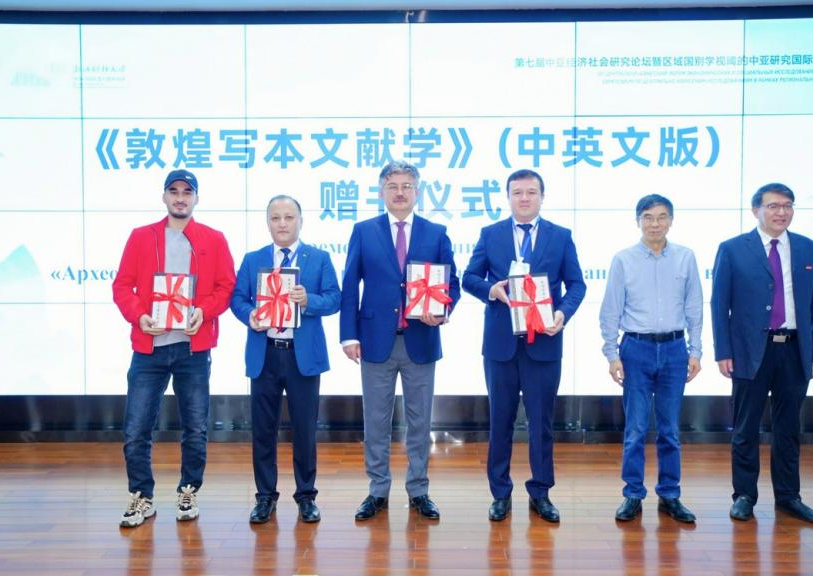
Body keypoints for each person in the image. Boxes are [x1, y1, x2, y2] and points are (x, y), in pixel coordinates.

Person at [112, 169, 236, 527]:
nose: (180, 198)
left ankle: (188, 490)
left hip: (192, 349)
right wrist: (140, 316)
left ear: (196, 198)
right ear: (164, 196)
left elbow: (226, 287)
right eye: (174, 191)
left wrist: (203, 311)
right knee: (136, 428)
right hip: (149, 347)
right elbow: (122, 286)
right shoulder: (141, 237)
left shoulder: (213, 238)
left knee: (195, 427)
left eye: (187, 192)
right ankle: (142, 496)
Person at [462, 169, 586, 523]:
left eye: (531, 192)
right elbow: (469, 277)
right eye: (518, 192)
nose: (525, 198)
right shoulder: (491, 234)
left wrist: (562, 313)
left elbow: (577, 284)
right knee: (499, 421)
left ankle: (541, 492)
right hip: (501, 345)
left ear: (542, 197)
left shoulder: (560, 237)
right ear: (508, 197)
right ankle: (500, 493)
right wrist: (491, 290)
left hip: (544, 343)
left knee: (541, 423)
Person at [340, 160, 460, 521]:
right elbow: (350, 285)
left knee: (419, 422)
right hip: (374, 340)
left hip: (421, 339)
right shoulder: (364, 231)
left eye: (407, 186)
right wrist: (348, 335)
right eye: (392, 186)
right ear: (381, 191)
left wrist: (442, 309)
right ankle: (377, 490)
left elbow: (451, 284)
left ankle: (418, 490)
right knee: (375, 422)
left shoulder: (436, 233)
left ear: (417, 192)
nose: (400, 192)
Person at [711, 182, 813, 524]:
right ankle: (744, 495)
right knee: (745, 427)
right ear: (756, 211)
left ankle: (789, 497)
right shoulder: (733, 249)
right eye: (774, 206)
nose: (782, 212)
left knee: (788, 427)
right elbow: (720, 305)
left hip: (794, 349)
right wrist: (723, 350)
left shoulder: (809, 249)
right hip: (750, 350)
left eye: (787, 205)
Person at [230, 195, 341, 525]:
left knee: (305, 429)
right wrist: (250, 315)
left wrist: (309, 301)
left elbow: (335, 299)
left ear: (300, 221)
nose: (282, 223)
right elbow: (237, 298)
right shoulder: (253, 260)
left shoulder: (319, 258)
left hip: (302, 357)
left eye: (289, 217)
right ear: (268, 223)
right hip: (264, 353)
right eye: (275, 218)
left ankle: (306, 496)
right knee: (263, 430)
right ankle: (265, 496)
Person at [599, 194, 702, 525]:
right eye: (648, 217)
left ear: (671, 220)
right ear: (638, 221)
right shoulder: (623, 260)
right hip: (636, 349)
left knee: (670, 429)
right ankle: (632, 493)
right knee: (636, 428)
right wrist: (612, 354)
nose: (655, 224)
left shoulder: (686, 258)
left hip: (674, 349)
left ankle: (670, 494)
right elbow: (610, 310)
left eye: (661, 217)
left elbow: (694, 307)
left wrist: (696, 351)